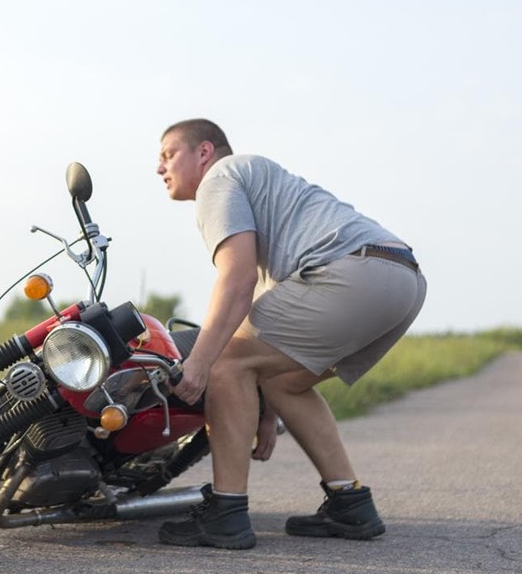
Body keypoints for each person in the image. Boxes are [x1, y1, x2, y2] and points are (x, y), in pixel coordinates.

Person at [156, 118, 427, 550]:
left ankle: (225, 514)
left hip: (349, 274)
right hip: (400, 279)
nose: (159, 168)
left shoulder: (220, 179)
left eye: (168, 154)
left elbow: (237, 280)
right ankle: (350, 502)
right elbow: (266, 320)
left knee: (225, 360)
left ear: (204, 152)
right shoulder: (261, 187)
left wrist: (199, 363)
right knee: (285, 381)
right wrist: (265, 409)